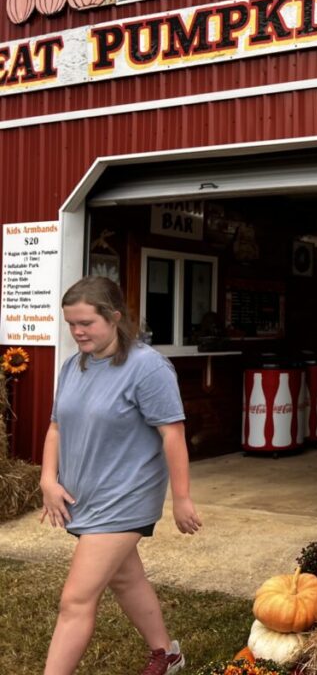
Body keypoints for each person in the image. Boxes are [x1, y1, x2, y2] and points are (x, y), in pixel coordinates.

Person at [40, 276, 202, 675]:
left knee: (75, 601)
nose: (77, 332)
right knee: (125, 579)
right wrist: (48, 479)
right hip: (86, 497)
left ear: (114, 318)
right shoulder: (73, 366)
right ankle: (167, 653)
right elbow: (56, 427)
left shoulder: (147, 368)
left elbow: (172, 434)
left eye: (86, 324)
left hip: (125, 498)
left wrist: (180, 498)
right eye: (71, 324)